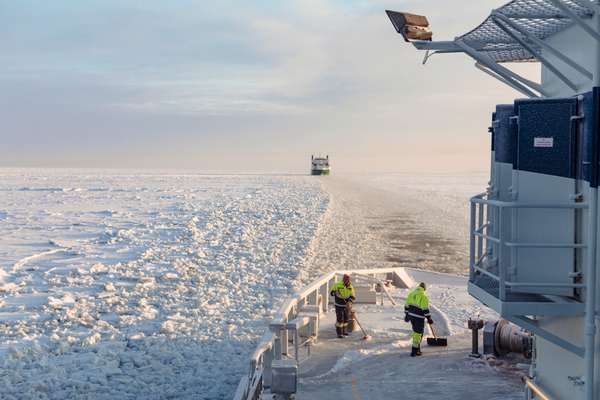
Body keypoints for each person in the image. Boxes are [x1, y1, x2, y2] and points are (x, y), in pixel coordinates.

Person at [404, 282, 433, 357]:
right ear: (424, 289)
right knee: (418, 333)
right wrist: (429, 318)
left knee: (416, 332)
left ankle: (417, 349)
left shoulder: (411, 294)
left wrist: (407, 315)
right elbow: (425, 309)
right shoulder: (423, 297)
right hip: (418, 317)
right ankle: (414, 351)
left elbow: (406, 306)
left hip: (411, 316)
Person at [330, 274, 356, 338]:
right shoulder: (337, 285)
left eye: (347, 280)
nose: (346, 281)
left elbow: (353, 296)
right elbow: (331, 293)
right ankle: (339, 333)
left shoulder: (350, 287)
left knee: (346, 318)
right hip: (338, 304)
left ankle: (344, 331)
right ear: (343, 279)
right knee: (340, 319)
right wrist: (335, 292)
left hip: (346, 305)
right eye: (345, 279)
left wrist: (349, 302)